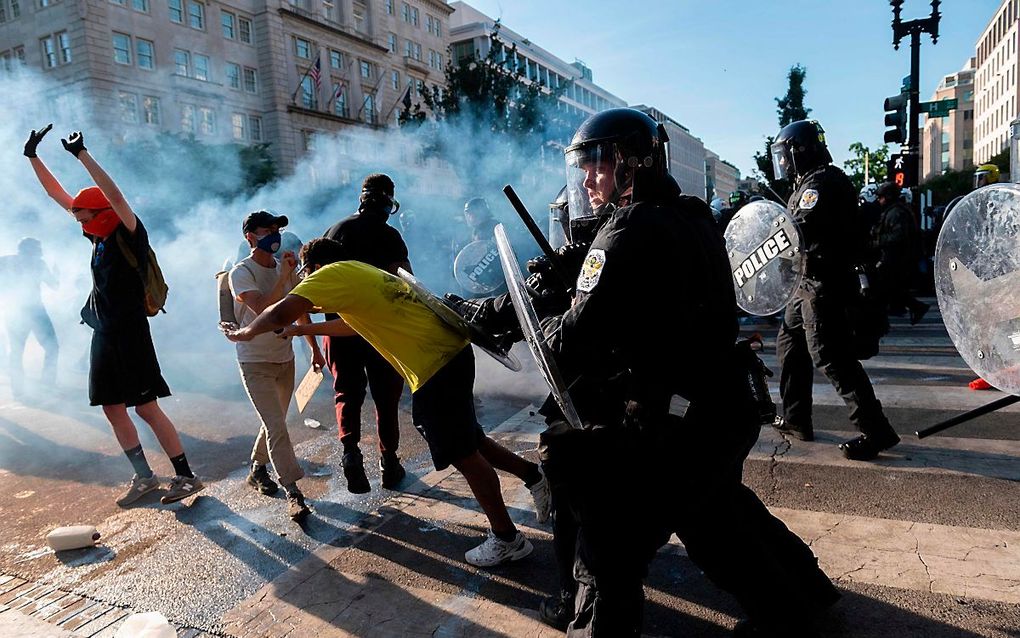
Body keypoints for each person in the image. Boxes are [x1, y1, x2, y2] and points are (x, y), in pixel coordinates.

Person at [537, 108, 837, 637]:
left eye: (599, 165)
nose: (587, 179)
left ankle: (790, 617)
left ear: (634, 163)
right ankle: (804, 598)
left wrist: (544, 317)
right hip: (718, 405)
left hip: (677, 421)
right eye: (582, 166)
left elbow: (574, 339)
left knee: (609, 543)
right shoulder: (691, 213)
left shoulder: (626, 230)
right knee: (721, 518)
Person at [228, 237, 551, 568]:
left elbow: (281, 310)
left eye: (306, 275)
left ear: (314, 268)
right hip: (447, 354)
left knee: (463, 453)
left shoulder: (327, 275)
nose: (305, 283)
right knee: (470, 439)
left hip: (433, 364)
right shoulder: (357, 273)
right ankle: (535, 477)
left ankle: (508, 538)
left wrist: (245, 333)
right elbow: (351, 326)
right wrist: (299, 332)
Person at [24, 124, 203, 505]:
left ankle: (186, 477)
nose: (79, 221)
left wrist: (82, 155)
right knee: (111, 407)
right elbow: (62, 198)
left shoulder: (128, 233)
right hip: (103, 333)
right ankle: (145, 478)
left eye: (85, 216)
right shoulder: (99, 237)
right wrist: (33, 158)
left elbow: (115, 196)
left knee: (146, 407)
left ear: (102, 213)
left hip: (130, 333)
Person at [770, 120, 900, 461]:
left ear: (799, 151)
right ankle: (797, 418)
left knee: (831, 357)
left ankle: (876, 430)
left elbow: (800, 229)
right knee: (790, 347)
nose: (782, 164)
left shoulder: (822, 182)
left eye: (784, 156)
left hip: (824, 284)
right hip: (804, 284)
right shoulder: (808, 183)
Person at [228, 210, 324, 522]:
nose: (274, 234)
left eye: (277, 228)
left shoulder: (287, 268)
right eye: (267, 229)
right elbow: (263, 311)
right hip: (255, 360)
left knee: (276, 422)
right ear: (250, 237)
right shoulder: (241, 273)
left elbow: (299, 310)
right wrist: (284, 277)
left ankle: (257, 469)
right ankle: (294, 492)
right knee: (277, 427)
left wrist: (313, 349)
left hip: (285, 358)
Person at [321, 174, 410, 493]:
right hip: (380, 331)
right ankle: (389, 464)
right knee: (386, 398)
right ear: (388, 203)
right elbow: (405, 284)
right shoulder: (389, 235)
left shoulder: (335, 231)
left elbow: (317, 280)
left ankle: (350, 453)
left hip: (339, 329)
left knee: (346, 392)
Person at [0, 237, 59, 398]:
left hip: (13, 311)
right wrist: (56, 273)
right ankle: (47, 386)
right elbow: (54, 285)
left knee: (16, 351)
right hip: (35, 310)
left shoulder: (5, 261)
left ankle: (18, 390)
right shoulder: (38, 264)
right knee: (52, 348)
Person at [872, 182, 929, 324]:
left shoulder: (897, 212)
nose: (879, 200)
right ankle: (903, 308)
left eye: (881, 197)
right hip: (895, 256)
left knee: (888, 285)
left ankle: (916, 307)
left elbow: (898, 236)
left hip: (898, 257)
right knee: (892, 286)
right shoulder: (893, 211)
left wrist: (877, 241)